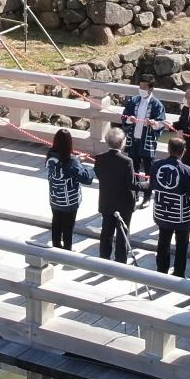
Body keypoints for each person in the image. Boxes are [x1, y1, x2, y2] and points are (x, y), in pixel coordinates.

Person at [151, 137, 190, 277]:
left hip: (162, 211)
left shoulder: (156, 165)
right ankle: (178, 273)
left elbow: (153, 184)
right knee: (181, 247)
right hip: (180, 215)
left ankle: (161, 271)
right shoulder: (186, 170)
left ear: (168, 149)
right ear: (184, 151)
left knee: (163, 243)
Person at [44, 128, 95, 251]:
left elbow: (64, 162)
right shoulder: (71, 162)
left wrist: (77, 159)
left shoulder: (50, 156)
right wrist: (94, 168)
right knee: (68, 227)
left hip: (55, 198)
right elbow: (86, 178)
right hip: (69, 200)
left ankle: (56, 248)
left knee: (56, 223)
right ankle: (67, 251)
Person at [95, 128, 139, 262]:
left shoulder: (100, 158)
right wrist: (147, 184)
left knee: (106, 232)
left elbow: (99, 174)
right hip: (124, 203)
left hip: (107, 200)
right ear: (122, 142)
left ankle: (104, 258)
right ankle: (120, 260)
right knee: (122, 233)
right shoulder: (127, 161)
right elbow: (131, 184)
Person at [119, 78, 166, 197]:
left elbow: (161, 123)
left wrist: (153, 123)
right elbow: (124, 116)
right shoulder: (134, 100)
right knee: (133, 169)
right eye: (140, 87)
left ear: (151, 88)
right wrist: (129, 119)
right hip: (133, 140)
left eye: (144, 88)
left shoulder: (157, 104)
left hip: (147, 142)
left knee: (148, 170)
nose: (141, 90)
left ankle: (147, 196)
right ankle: (134, 194)